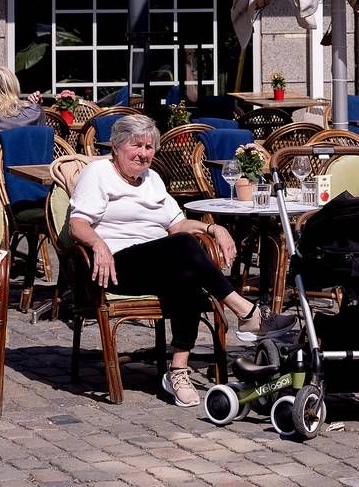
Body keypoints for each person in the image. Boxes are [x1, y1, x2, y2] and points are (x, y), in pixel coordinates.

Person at [63, 114, 293, 408]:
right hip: (116, 264)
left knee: (187, 275)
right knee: (184, 249)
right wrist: (97, 243)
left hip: (157, 261)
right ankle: (246, 312)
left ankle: (178, 370)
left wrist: (213, 228)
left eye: (149, 147)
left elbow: (177, 225)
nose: (144, 154)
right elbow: (77, 224)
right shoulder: (98, 173)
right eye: (137, 146)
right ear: (117, 146)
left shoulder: (152, 179)